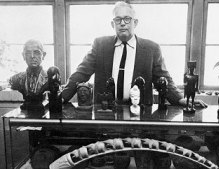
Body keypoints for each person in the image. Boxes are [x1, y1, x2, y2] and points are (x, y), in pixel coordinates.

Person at [62, 1, 208, 168]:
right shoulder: (100, 45)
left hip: (140, 119)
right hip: (108, 117)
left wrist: (182, 100)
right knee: (111, 161)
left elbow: (164, 78)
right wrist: (60, 98)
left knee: (144, 162)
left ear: (135, 23)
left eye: (127, 19)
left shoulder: (151, 48)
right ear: (112, 24)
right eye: (118, 20)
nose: (122, 23)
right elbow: (80, 74)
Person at [9, 39, 47, 110]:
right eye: (28, 53)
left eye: (36, 52)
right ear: (23, 56)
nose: (32, 56)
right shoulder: (16, 78)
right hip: (25, 110)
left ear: (43, 55)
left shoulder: (49, 78)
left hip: (42, 110)